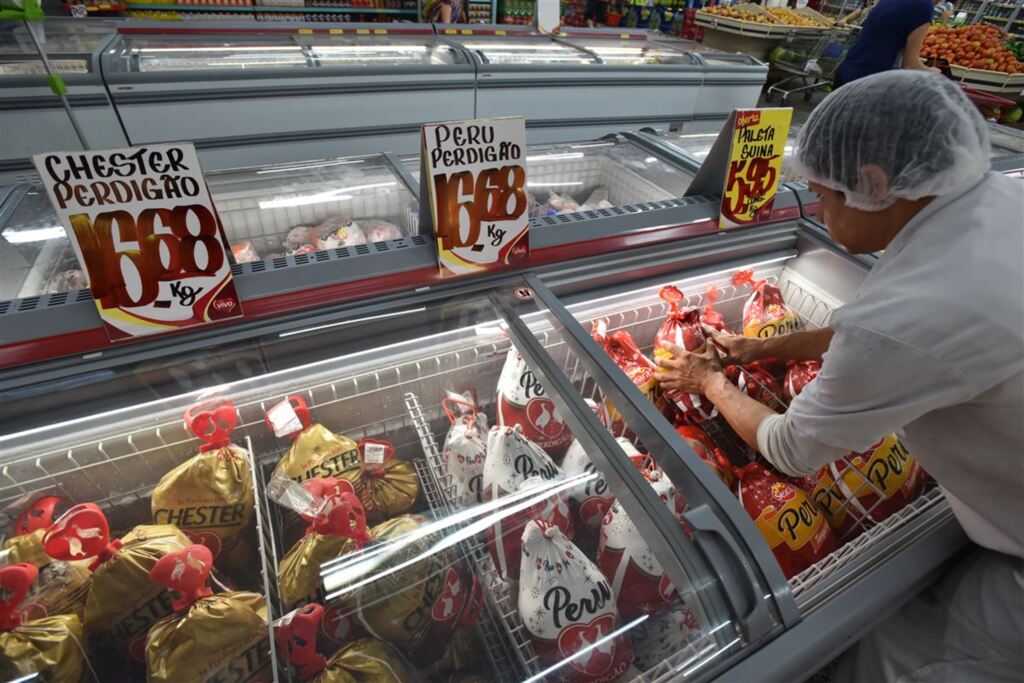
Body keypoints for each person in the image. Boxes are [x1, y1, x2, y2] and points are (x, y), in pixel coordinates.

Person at [654, 71, 1023, 682]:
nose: (819, 209)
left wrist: (709, 384)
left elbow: (790, 448)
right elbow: (869, 332)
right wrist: (753, 348)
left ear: (873, 186)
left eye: (823, 195)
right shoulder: (993, 202)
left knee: (904, 663)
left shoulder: (915, 308)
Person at [832, 0, 939, 87]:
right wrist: (933, 73)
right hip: (866, 85)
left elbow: (888, 36)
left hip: (847, 74)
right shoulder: (924, 6)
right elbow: (910, 65)